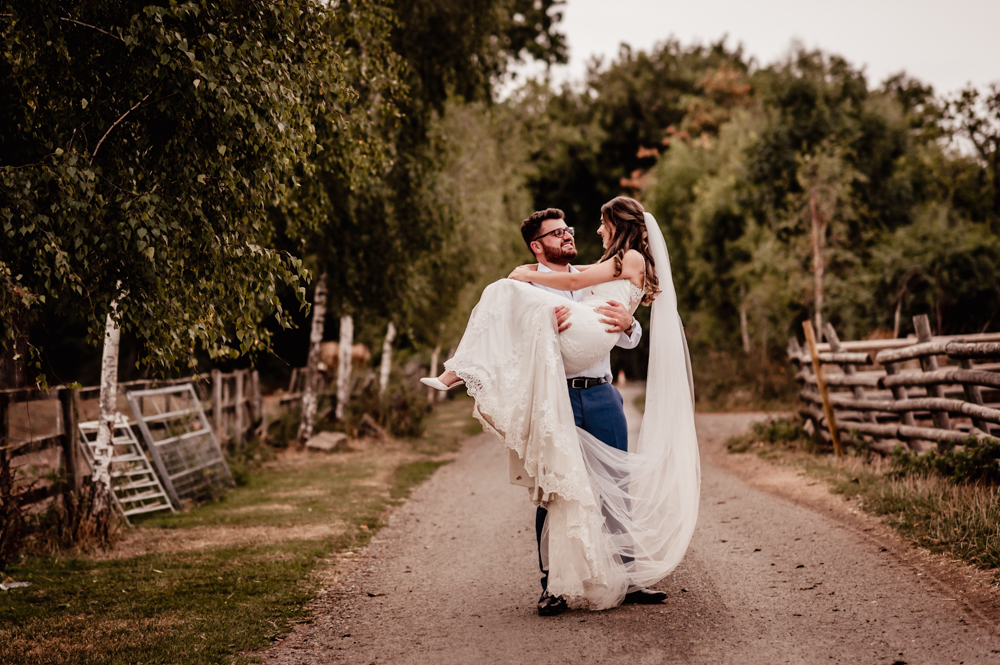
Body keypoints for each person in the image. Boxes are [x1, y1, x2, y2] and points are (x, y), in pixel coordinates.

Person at [423, 197, 700, 613]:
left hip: (601, 392)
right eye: (558, 232)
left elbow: (619, 319)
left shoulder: (590, 272)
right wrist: (541, 326)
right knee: (554, 487)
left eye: (568, 229)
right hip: (556, 394)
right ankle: (552, 585)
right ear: (537, 245)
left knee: (615, 490)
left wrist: (631, 326)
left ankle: (628, 579)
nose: (570, 234)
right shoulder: (524, 288)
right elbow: (510, 341)